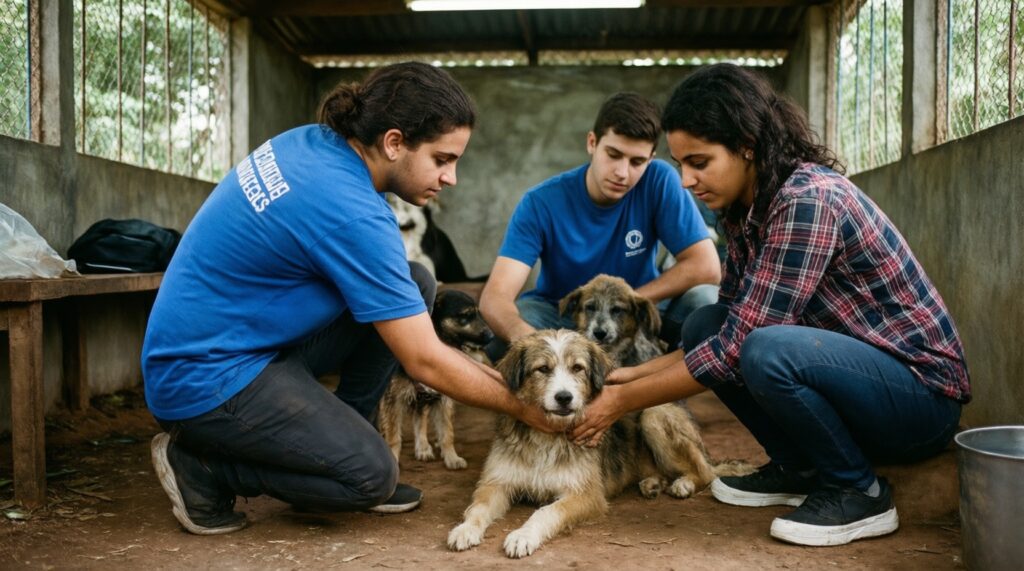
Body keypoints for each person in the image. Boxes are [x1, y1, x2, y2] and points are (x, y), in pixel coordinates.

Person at [142, 62, 552, 535]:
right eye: (442, 159)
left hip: (237, 342)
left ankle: (340, 440)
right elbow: (426, 361)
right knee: (370, 476)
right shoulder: (351, 212)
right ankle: (204, 470)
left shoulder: (314, 142)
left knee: (414, 281)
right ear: (394, 142)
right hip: (204, 380)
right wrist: (523, 404)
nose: (451, 178)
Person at [569, 64, 969, 547]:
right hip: (860, 382)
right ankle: (798, 467)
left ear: (746, 146)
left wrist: (620, 401)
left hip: (920, 399)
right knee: (702, 323)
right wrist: (629, 375)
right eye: (679, 165)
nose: (686, 180)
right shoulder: (744, 211)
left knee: (764, 350)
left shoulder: (807, 200)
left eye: (699, 161)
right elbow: (726, 328)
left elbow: (740, 346)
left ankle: (858, 490)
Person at [480, 92, 721, 359]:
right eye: (613, 154)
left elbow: (706, 267)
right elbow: (495, 298)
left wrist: (630, 303)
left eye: (637, 162)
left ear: (651, 158)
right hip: (564, 314)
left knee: (707, 303)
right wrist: (529, 341)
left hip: (642, 308)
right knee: (506, 330)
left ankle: (668, 375)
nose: (622, 172)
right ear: (592, 143)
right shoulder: (540, 202)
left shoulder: (659, 180)